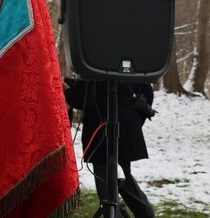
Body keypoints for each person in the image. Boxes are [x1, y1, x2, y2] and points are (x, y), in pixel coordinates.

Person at [65, 78, 156, 218]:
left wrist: (65, 90)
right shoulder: (128, 57)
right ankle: (146, 214)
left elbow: (84, 99)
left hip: (101, 129)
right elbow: (147, 92)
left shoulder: (92, 60)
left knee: (107, 192)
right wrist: (135, 119)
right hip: (125, 128)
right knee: (124, 180)